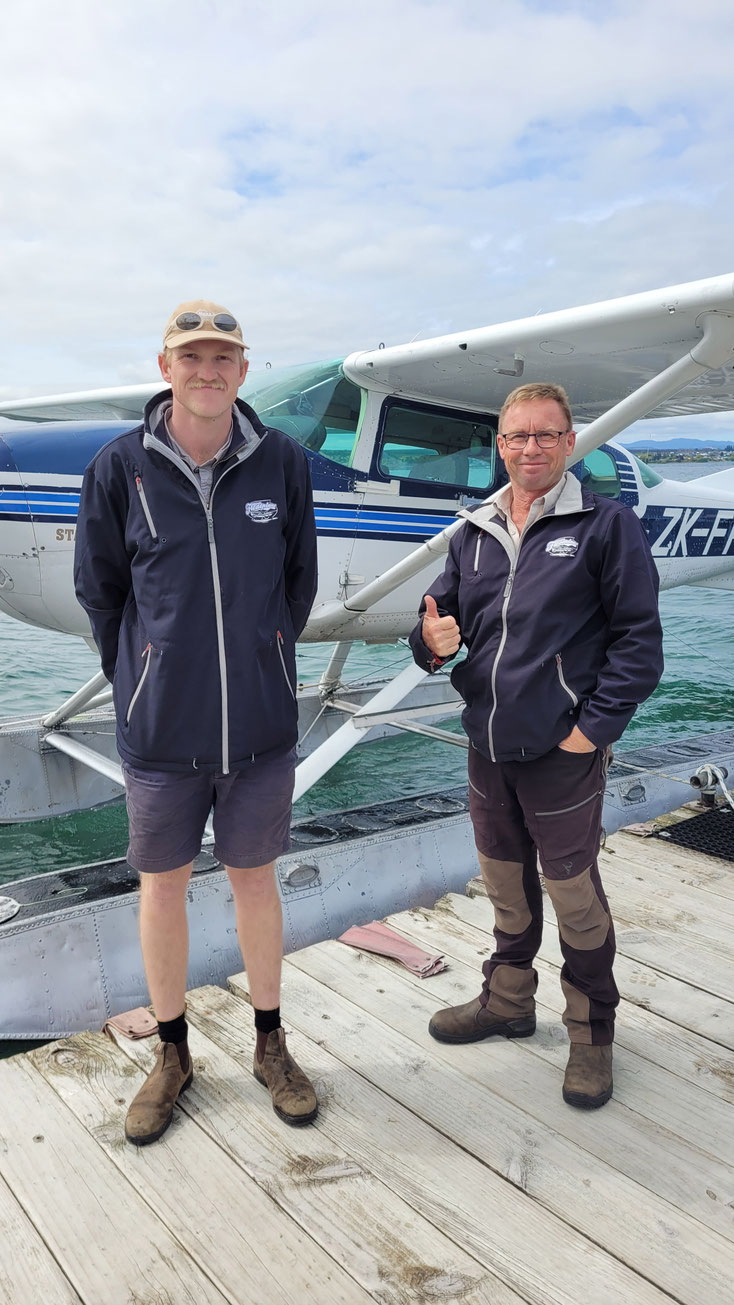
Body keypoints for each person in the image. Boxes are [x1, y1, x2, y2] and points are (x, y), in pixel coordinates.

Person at [74, 300, 319, 1143]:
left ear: (244, 370)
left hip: (260, 730)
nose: (208, 370)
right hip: (161, 736)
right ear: (165, 365)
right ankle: (172, 1053)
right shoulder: (118, 468)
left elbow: (300, 582)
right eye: (192, 356)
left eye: (224, 357)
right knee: (163, 889)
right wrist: (145, 678)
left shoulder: (282, 461)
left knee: (256, 880)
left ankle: (270, 1042)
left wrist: (268, 658)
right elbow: (101, 593)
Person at [409, 382, 663, 1109]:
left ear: (568, 441)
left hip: (564, 752)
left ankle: (591, 1034)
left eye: (546, 436)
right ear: (500, 444)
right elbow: (435, 625)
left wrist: (590, 731)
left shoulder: (605, 526)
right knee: (504, 885)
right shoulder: (473, 532)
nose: (531, 448)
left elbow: (639, 647)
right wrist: (428, 644)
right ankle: (508, 1001)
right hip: (488, 746)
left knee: (575, 897)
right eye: (518, 436)